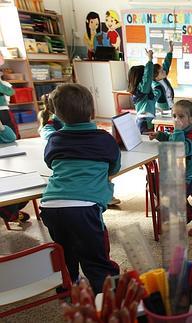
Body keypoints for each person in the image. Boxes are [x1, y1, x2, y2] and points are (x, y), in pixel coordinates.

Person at [40, 84, 120, 293]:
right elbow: (115, 166)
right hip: (84, 207)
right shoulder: (104, 139)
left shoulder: (55, 139)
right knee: (94, 257)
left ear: (57, 115)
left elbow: (50, 162)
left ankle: (69, 287)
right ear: (92, 112)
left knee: (65, 252)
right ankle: (106, 296)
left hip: (51, 205)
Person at [149, 100, 192, 236]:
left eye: (181, 116)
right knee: (152, 179)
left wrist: (177, 130)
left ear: (191, 119)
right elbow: (171, 139)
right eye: (174, 116)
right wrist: (160, 135)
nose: (176, 120)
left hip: (188, 178)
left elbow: (178, 149)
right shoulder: (180, 132)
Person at [0, 120, 30, 225]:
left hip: (6, 170)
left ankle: (10, 211)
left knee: (26, 185)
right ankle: (10, 212)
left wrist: (1, 128)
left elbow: (11, 138)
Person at [128, 49, 156, 133]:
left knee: (148, 142)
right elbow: (147, 77)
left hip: (145, 120)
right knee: (147, 143)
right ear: (140, 77)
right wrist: (150, 59)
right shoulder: (142, 89)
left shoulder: (141, 90)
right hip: (144, 122)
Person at [0, 53, 18, 139]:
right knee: (9, 129)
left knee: (9, 128)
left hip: (3, 108)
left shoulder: (4, 84)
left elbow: (11, 92)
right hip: (3, 109)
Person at [153, 41, 174, 111]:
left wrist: (170, 51)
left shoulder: (163, 77)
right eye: (162, 71)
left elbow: (166, 63)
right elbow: (153, 98)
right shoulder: (156, 86)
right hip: (163, 109)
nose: (164, 71)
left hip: (171, 106)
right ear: (156, 77)